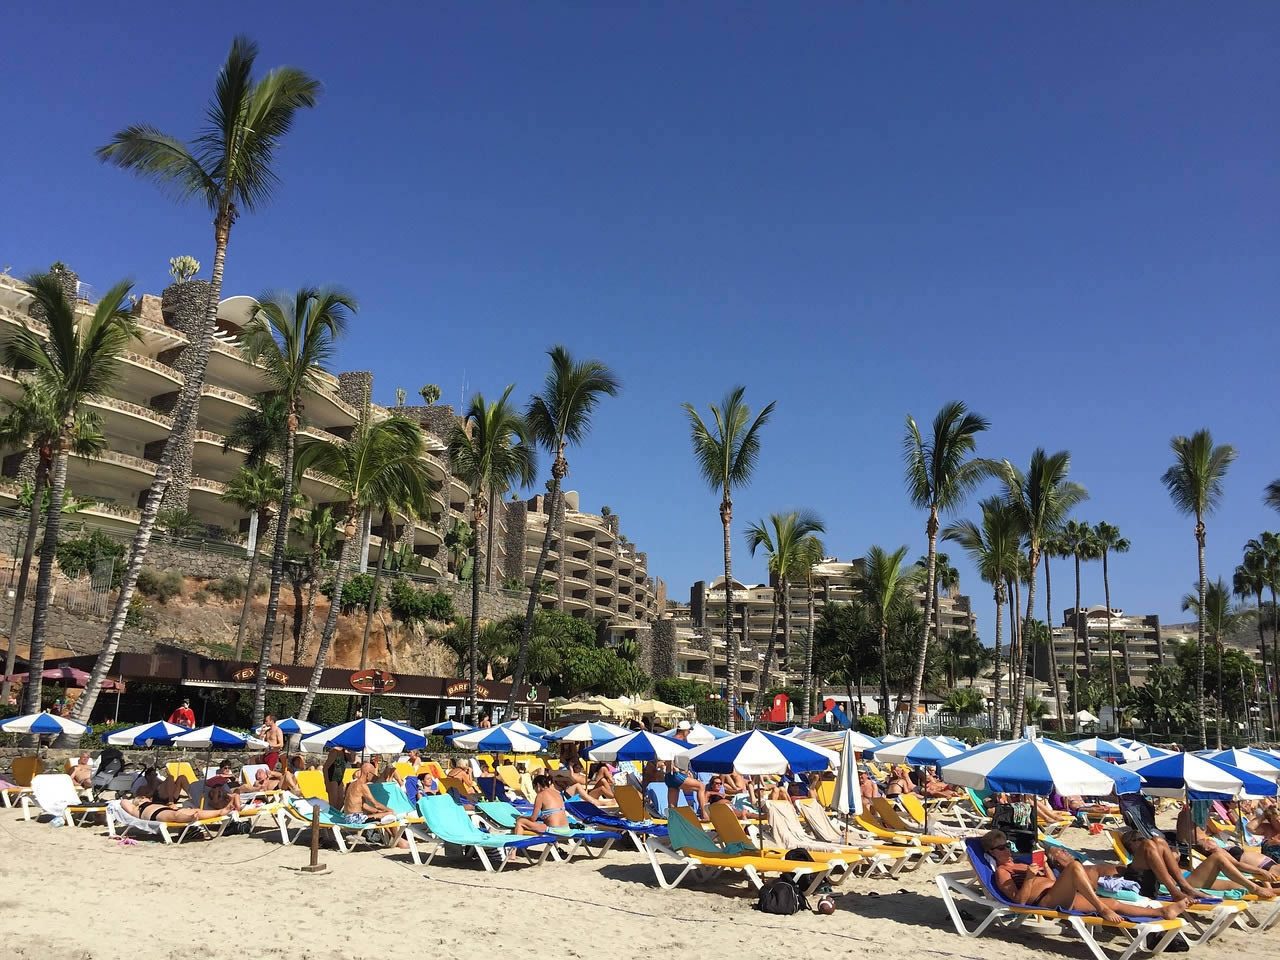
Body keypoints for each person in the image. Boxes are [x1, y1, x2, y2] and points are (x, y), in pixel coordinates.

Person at [982, 830, 1183, 921]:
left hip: (1056, 892)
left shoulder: (1022, 863)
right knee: (1075, 867)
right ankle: (1100, 908)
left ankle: (1161, 913)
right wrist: (1029, 879)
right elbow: (1019, 902)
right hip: (1043, 900)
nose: (1006, 850)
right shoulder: (1002, 872)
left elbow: (1052, 882)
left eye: (1007, 845)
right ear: (991, 853)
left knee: (1115, 904)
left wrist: (1046, 867)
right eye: (1000, 848)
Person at [1177, 800, 1280, 882]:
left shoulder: (1217, 851)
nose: (1279, 821)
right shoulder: (1268, 828)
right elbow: (1249, 828)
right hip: (1261, 864)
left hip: (1263, 864)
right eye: (1276, 819)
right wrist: (1263, 816)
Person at [120, 795, 240, 825]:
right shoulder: (137, 808)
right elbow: (123, 802)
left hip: (165, 809)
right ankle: (189, 819)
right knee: (174, 816)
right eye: (144, 797)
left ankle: (222, 811)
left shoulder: (152, 803)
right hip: (155, 814)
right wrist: (136, 802)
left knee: (195, 809)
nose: (147, 798)